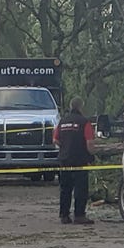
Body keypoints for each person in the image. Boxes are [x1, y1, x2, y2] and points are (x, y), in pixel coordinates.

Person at [54, 96, 96, 225]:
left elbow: (55, 140)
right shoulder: (85, 122)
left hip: (64, 159)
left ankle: (64, 216)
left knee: (65, 188)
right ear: (81, 107)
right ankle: (79, 215)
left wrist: (65, 146)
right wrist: (93, 155)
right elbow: (89, 143)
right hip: (80, 160)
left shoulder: (62, 121)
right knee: (80, 189)